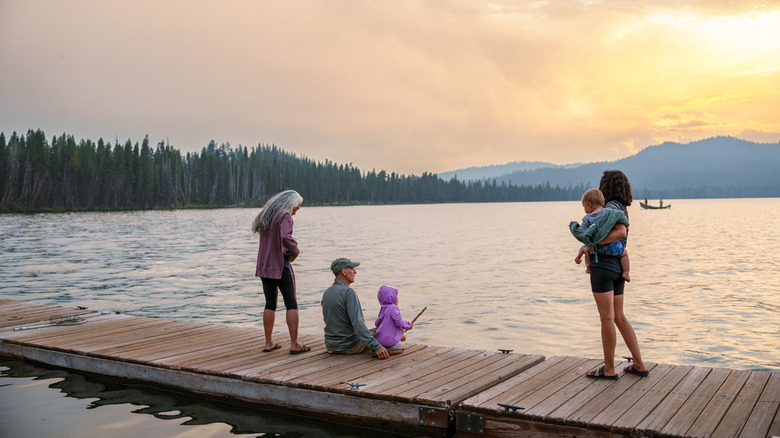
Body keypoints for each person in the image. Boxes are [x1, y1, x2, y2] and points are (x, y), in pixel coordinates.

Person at [582, 170, 648, 379]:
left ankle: (609, 369)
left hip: (604, 267)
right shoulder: (621, 208)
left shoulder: (609, 208)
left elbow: (620, 232)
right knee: (618, 317)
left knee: (607, 318)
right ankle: (638, 364)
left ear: (606, 186)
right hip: (618, 268)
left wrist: (592, 244)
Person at [252, 190, 310, 355]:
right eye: (296, 208)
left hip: (264, 266)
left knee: (270, 303)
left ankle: (268, 342)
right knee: (291, 303)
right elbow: (285, 236)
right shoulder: (284, 215)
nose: (295, 212)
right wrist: (295, 250)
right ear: (290, 204)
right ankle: (294, 344)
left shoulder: (267, 214)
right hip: (280, 265)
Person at [321, 258, 389, 359]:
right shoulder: (349, 292)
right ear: (344, 272)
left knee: (374, 331)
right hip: (349, 346)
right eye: (352, 269)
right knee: (386, 330)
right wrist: (376, 346)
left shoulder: (327, 292)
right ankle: (388, 350)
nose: (355, 272)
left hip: (331, 346)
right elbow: (358, 323)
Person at [572, 188, 630, 282]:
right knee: (624, 253)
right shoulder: (610, 212)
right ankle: (626, 273)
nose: (584, 209)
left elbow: (582, 233)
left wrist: (575, 228)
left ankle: (589, 268)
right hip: (613, 246)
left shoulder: (587, 218)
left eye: (584, 206)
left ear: (589, 204)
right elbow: (621, 218)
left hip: (597, 250)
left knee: (587, 251)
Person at [374, 285, 413, 355]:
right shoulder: (393, 308)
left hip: (380, 338)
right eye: (396, 296)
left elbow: (377, 322)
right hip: (389, 339)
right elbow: (399, 322)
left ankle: (386, 346)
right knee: (402, 347)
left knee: (403, 337)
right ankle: (387, 351)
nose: (397, 298)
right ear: (391, 298)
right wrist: (409, 325)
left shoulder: (383, 308)